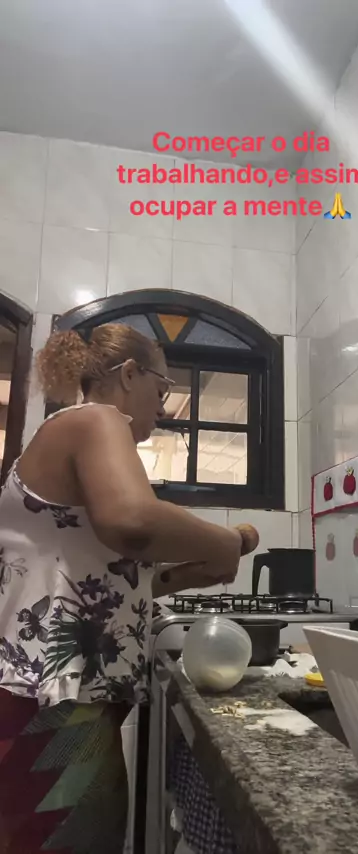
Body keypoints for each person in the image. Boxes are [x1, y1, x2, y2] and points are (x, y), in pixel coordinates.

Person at [0, 323, 258, 854]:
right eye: (161, 389)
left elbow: (95, 581)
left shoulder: (71, 432)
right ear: (130, 374)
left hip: (49, 697)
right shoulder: (96, 419)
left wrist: (181, 576)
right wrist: (227, 542)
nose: (162, 408)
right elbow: (133, 520)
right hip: (54, 705)